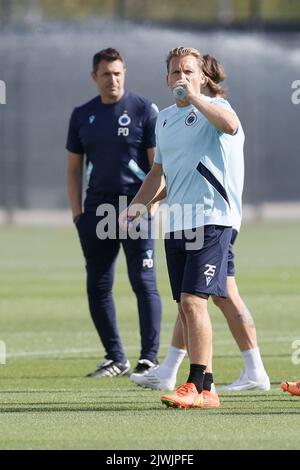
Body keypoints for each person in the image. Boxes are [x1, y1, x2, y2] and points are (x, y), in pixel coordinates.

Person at [130, 54, 270, 393]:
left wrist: (193, 98)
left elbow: (230, 126)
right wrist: (136, 205)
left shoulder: (216, 107)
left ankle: (199, 385)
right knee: (200, 301)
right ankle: (253, 373)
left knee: (193, 302)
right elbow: (160, 174)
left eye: (189, 72)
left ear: (203, 77)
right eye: (175, 72)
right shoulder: (163, 120)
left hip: (213, 219)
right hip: (178, 224)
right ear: (166, 79)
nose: (181, 77)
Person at [66, 48, 162, 378]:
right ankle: (115, 358)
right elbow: (74, 169)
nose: (113, 79)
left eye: (118, 73)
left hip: (135, 209)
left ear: (125, 73)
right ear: (95, 77)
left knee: (144, 282)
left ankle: (149, 359)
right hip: (96, 213)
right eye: (106, 74)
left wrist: (150, 208)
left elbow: (157, 166)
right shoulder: (82, 114)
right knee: (98, 285)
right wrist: (78, 215)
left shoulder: (144, 109)